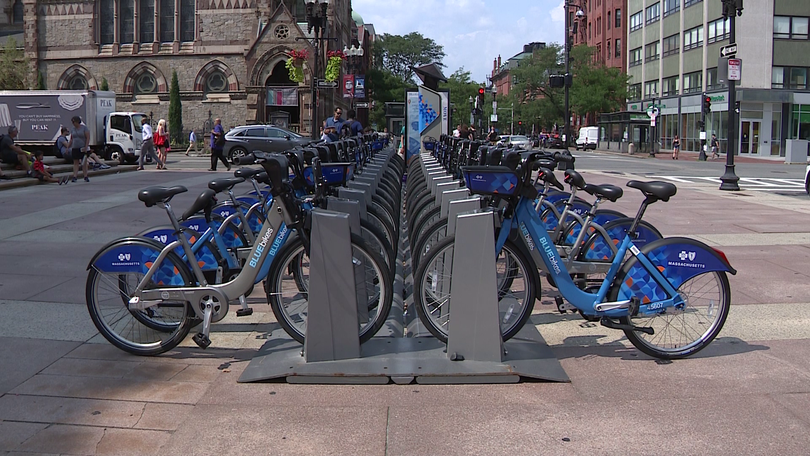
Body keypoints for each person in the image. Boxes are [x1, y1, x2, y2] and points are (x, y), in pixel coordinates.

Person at [66, 116, 91, 182]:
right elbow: (71, 139)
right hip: (75, 147)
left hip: (82, 147)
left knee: (84, 162)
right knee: (75, 162)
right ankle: (75, 176)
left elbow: (88, 137)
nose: (73, 123)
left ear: (77, 121)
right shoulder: (73, 129)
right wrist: (68, 147)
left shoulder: (84, 128)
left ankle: (85, 175)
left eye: (74, 122)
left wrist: (86, 146)